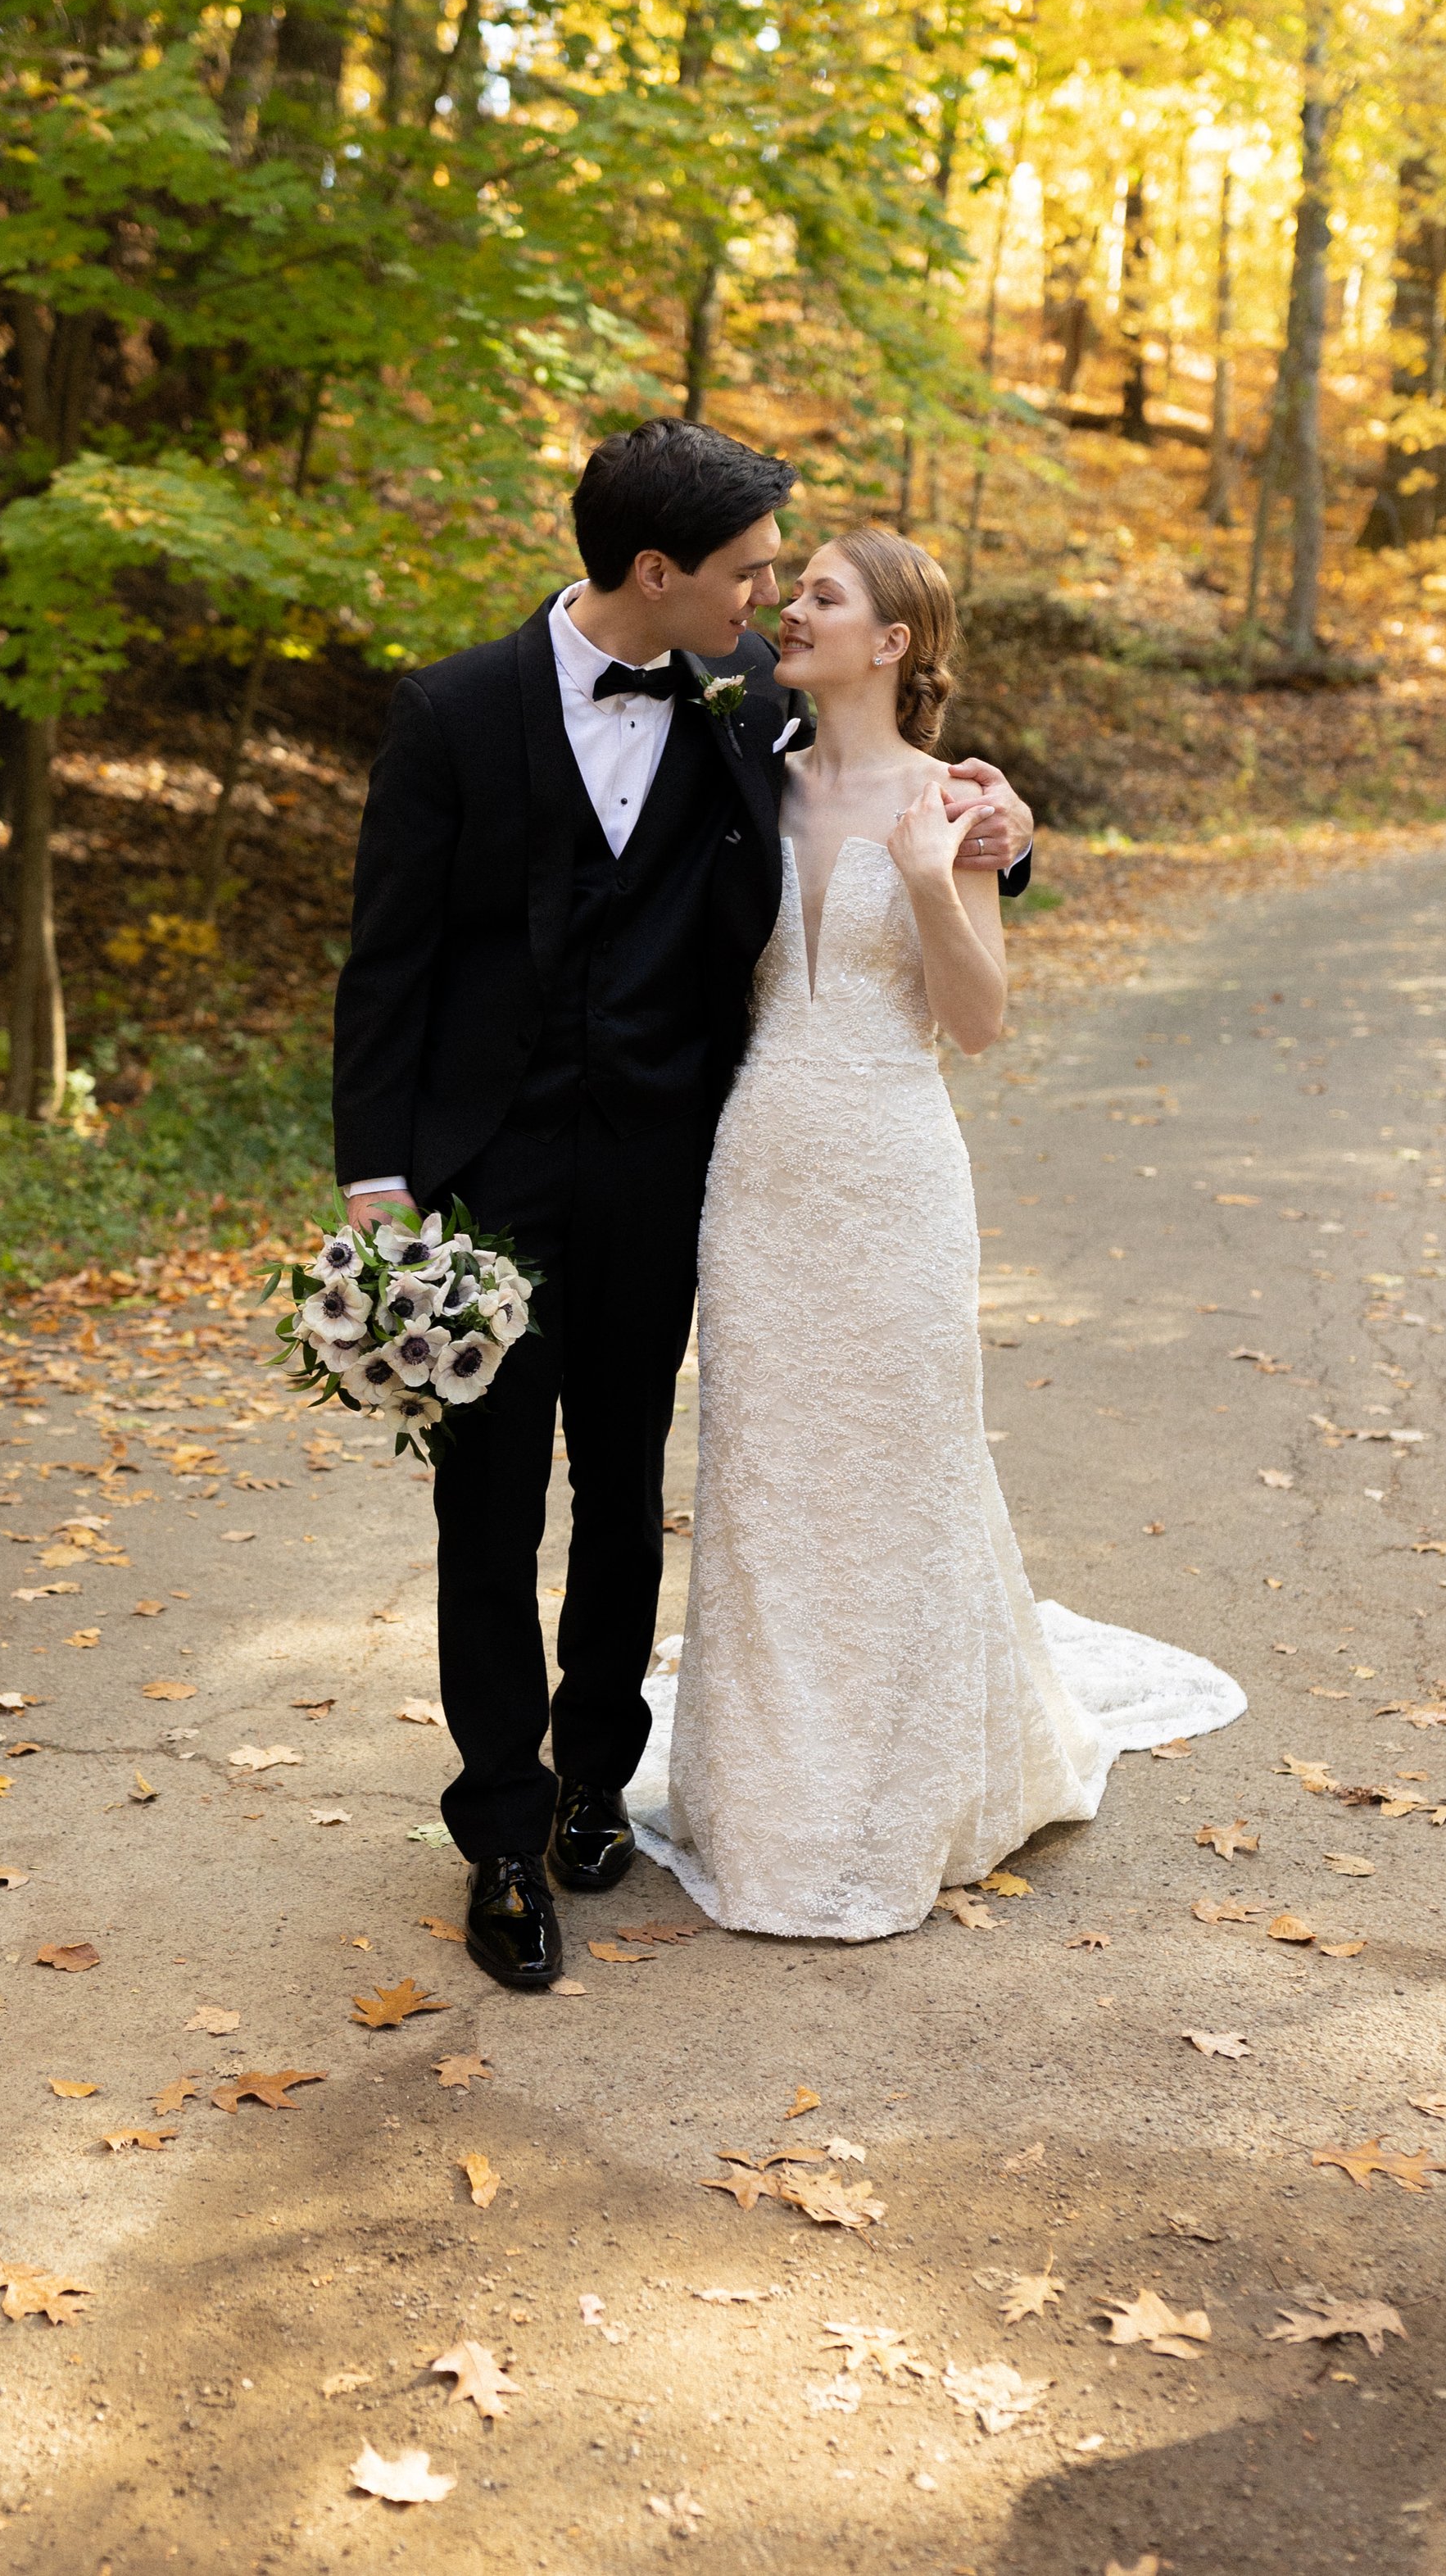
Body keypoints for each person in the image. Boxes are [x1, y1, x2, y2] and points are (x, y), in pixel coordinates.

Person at [331, 424, 1036, 1989]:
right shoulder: (451, 712)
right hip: (486, 1190)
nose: (773, 595)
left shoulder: (743, 720)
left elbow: (899, 804)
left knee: (629, 1482)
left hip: (677, 1173)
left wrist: (1009, 838)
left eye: (793, 580)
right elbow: (386, 968)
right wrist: (382, 1190)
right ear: (660, 572)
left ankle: (597, 1774)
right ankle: (502, 1829)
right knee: (488, 1501)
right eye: (752, 571)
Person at [626, 528, 1243, 1937]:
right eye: (791, 591)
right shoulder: (739, 775)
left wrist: (928, 874)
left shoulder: (960, 806)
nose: (787, 607)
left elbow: (977, 1022)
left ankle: (902, 1787)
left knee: (903, 1461)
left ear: (894, 640)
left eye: (821, 595)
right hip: (762, 1164)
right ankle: (767, 1795)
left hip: (899, 1164)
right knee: (767, 1468)